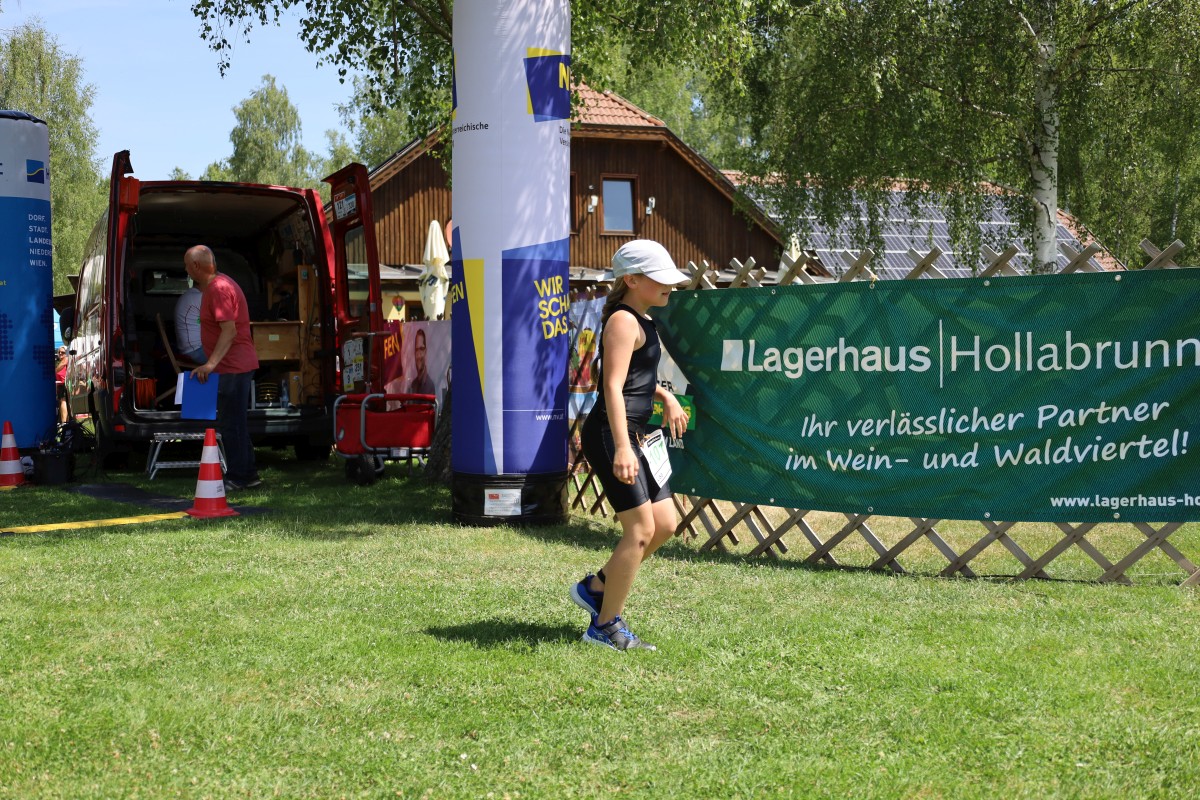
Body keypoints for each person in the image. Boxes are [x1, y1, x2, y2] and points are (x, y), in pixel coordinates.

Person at [570, 240, 691, 651]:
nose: (669, 286)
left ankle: (596, 587)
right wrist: (623, 447)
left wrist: (665, 396)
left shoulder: (643, 320)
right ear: (632, 280)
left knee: (665, 524)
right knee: (639, 530)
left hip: (635, 433)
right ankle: (604, 627)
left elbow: (635, 380)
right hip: (613, 434)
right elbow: (612, 387)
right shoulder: (622, 321)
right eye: (660, 278)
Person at [186, 245, 262, 490]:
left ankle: (239, 477)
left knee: (231, 424)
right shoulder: (219, 285)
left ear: (196, 266)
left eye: (187, 265)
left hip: (233, 366)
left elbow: (229, 331)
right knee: (235, 422)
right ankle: (248, 473)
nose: (186, 270)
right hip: (232, 365)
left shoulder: (218, 288)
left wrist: (210, 364)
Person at [174, 283, 206, 364]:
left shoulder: (187, 295)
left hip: (187, 350)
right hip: (195, 351)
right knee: (231, 355)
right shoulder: (199, 297)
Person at [405, 327, 436, 396]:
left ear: (425, 352)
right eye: (417, 350)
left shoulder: (429, 385)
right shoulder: (413, 385)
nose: (419, 355)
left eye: (421, 349)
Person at [54, 346, 70, 423]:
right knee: (62, 401)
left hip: (65, 384)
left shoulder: (66, 359)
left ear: (66, 353)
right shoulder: (61, 362)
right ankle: (65, 422)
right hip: (60, 385)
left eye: (62, 352)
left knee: (64, 401)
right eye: (59, 352)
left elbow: (62, 365)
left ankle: (64, 423)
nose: (60, 353)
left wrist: (53, 371)